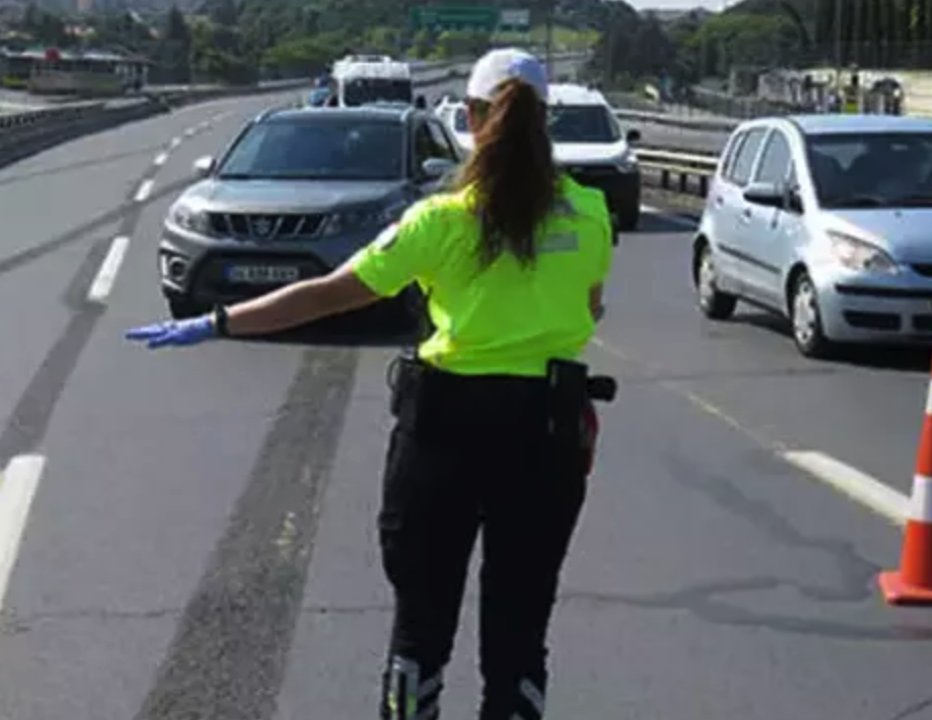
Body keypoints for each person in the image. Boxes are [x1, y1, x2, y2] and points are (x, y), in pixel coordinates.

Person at [125, 48, 614, 719]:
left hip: (445, 431)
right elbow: (589, 308)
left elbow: (328, 295)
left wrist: (218, 321)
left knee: (422, 622)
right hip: (547, 434)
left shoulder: (440, 221)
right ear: (546, 119)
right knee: (520, 630)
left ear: (472, 118)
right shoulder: (590, 216)